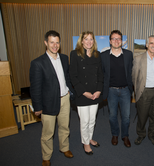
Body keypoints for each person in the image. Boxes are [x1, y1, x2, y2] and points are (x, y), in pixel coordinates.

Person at [30, 30, 74, 166]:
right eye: (52, 42)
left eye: (57, 42)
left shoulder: (65, 58)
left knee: (64, 126)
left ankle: (64, 148)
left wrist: (70, 92)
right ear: (46, 43)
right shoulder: (37, 63)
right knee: (48, 132)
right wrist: (37, 107)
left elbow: (67, 77)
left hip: (65, 99)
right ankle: (46, 156)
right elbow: (35, 88)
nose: (55, 45)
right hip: (48, 102)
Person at [69, 31, 103, 155]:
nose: (89, 41)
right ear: (81, 41)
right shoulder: (75, 54)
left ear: (94, 41)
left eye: (91, 39)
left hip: (95, 94)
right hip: (82, 94)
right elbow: (73, 76)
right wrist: (84, 92)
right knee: (84, 121)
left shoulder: (97, 54)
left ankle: (89, 138)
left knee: (92, 119)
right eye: (86, 39)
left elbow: (100, 74)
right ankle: (86, 143)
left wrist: (99, 90)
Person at [101, 30, 133, 148]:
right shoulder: (103, 56)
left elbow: (131, 72)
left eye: (118, 38)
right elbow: (102, 74)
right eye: (114, 38)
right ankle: (115, 134)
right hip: (111, 91)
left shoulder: (129, 54)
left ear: (122, 41)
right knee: (112, 116)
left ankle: (125, 136)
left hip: (125, 90)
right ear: (110, 41)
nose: (116, 41)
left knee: (126, 117)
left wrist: (131, 89)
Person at [132, 35, 154, 146]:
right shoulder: (138, 58)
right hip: (144, 92)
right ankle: (141, 134)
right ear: (146, 45)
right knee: (142, 115)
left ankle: (152, 134)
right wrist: (137, 93)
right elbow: (134, 77)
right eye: (151, 43)